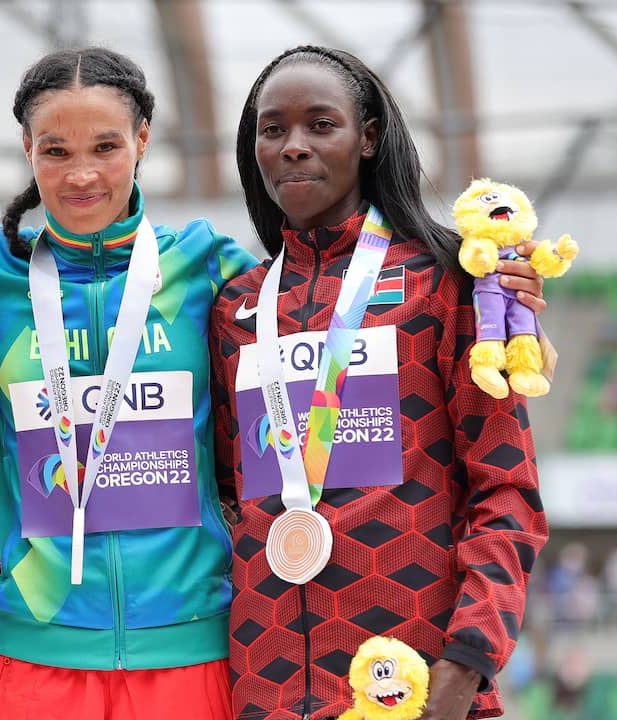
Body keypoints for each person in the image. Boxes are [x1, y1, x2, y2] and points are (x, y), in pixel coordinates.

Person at [0, 48, 552, 720]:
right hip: (34, 654)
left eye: (105, 146)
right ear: (27, 151)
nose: (82, 172)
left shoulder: (222, 279)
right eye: (55, 149)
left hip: (203, 653)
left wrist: (504, 293)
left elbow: (299, 410)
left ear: (143, 145)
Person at [208, 46, 547, 720]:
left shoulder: (446, 284)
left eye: (320, 125)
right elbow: (229, 492)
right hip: (265, 688)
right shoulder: (235, 309)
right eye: (273, 130)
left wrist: (466, 668)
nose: (294, 147)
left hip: (416, 688)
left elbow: (507, 491)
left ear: (368, 138)